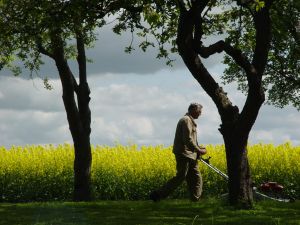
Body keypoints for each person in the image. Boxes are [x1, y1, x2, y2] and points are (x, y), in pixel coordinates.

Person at [150, 103, 207, 202]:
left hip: (190, 154)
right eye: (199, 111)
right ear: (193, 110)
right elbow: (188, 140)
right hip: (184, 154)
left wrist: (198, 149)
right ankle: (157, 194)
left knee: (196, 178)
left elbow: (190, 140)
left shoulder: (189, 120)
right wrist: (199, 150)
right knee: (181, 177)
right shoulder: (186, 120)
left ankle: (195, 200)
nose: (200, 114)